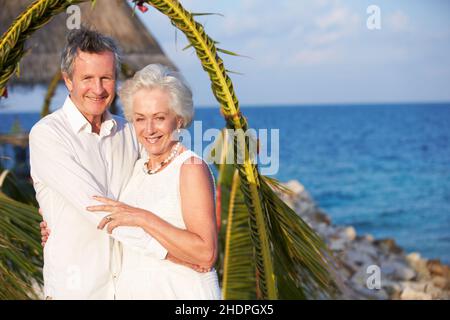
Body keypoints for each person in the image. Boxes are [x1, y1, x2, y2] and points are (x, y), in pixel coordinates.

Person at [31, 28, 203, 299]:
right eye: (87, 78)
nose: (98, 89)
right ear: (68, 80)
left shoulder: (130, 132)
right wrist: (174, 255)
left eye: (106, 78)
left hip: (127, 291)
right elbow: (98, 210)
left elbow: (161, 183)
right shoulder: (48, 135)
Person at [86, 63, 221, 299]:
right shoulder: (137, 168)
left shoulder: (189, 168)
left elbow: (205, 253)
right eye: (140, 119)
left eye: (159, 118)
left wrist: (142, 217)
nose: (149, 129)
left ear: (178, 119)